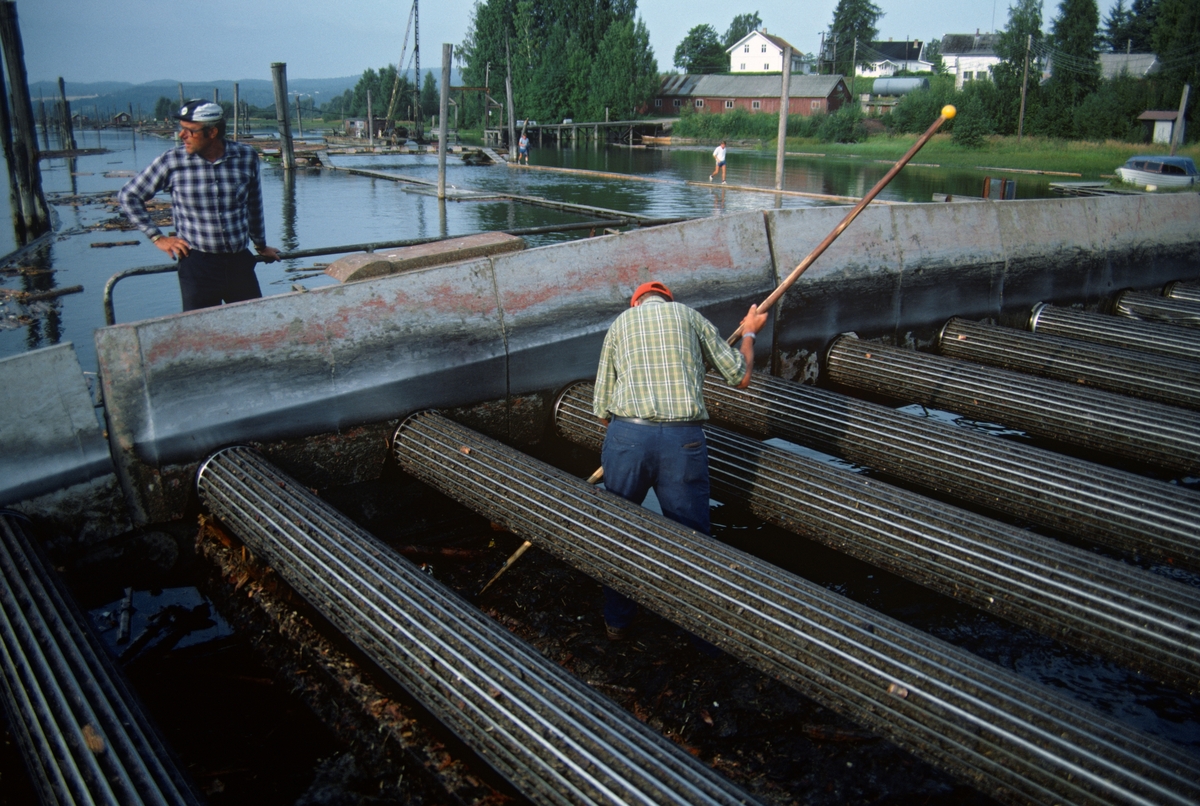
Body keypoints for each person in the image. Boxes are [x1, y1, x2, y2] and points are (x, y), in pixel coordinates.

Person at [592, 281, 767, 640]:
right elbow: (741, 376)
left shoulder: (620, 324)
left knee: (618, 529)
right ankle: (699, 631)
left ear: (636, 302)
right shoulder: (690, 317)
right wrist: (748, 333)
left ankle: (618, 622)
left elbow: (600, 409)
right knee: (692, 538)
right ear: (669, 300)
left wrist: (629, 435)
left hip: (628, 436)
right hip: (682, 440)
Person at [119, 99, 279, 312]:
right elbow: (128, 195)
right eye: (181, 129)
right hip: (197, 265)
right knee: (199, 332)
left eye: (189, 131)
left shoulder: (245, 156)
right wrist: (157, 237)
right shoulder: (172, 161)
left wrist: (260, 245)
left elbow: (254, 206)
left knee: (254, 324)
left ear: (212, 132)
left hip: (239, 263)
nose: (181, 135)